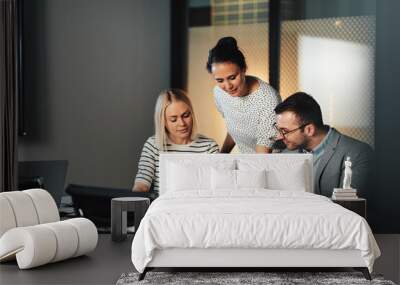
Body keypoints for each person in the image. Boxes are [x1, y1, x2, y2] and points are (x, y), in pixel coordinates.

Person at [273, 92, 373, 197]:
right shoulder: (287, 153)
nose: (280, 137)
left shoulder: (358, 154)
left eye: (285, 131)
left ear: (309, 130)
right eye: (278, 129)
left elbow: (350, 207)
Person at [132, 89, 219, 198]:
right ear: (163, 121)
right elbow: (141, 186)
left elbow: (217, 188)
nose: (182, 123)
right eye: (173, 119)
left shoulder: (209, 147)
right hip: (164, 209)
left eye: (186, 115)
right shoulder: (153, 145)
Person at [206, 36, 281, 154]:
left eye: (232, 78)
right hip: (247, 161)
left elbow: (262, 156)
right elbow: (234, 128)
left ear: (243, 69)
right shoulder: (219, 92)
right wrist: (221, 156)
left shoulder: (268, 100)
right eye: (220, 80)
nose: (227, 86)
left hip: (272, 163)